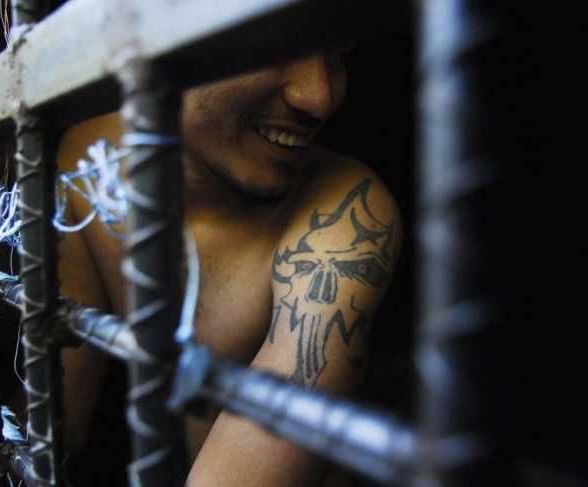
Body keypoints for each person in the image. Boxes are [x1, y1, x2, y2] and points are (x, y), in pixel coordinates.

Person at [55, 47, 402, 486]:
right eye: (279, 39)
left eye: (337, 56)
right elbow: (48, 434)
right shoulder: (89, 165)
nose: (319, 97)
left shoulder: (345, 218)